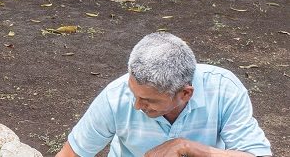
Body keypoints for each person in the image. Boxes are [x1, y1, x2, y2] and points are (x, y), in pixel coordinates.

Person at [57, 32, 272, 157]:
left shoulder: (223, 89)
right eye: (134, 93)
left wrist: (187, 147)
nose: (137, 105)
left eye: (149, 100)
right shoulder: (116, 95)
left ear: (185, 93)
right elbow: (72, 153)